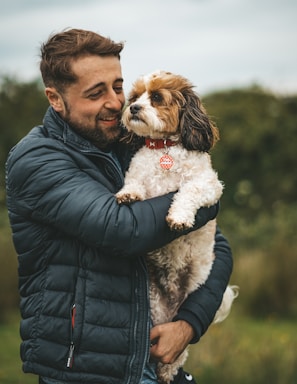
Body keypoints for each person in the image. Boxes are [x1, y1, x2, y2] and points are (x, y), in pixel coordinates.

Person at [5, 28, 233, 384]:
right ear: (55, 98)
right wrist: (204, 193)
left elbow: (217, 245)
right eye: (96, 93)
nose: (115, 102)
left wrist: (189, 323)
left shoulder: (135, 143)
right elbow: (122, 230)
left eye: (117, 86)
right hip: (85, 370)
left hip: (151, 359)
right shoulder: (37, 160)